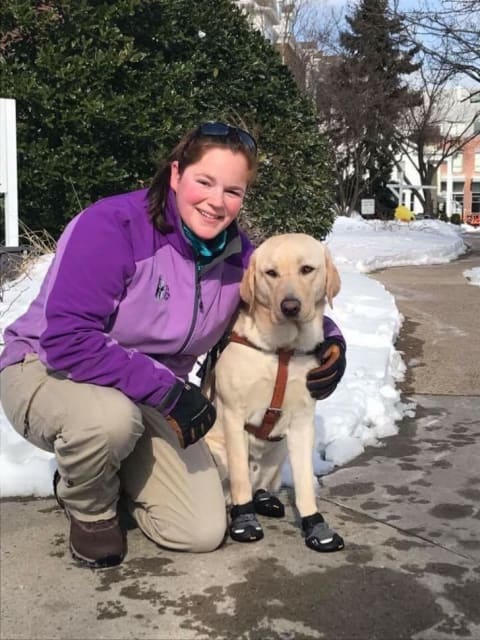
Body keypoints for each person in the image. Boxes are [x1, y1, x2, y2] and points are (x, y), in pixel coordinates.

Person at [0, 122, 346, 569]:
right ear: (177, 174)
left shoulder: (240, 257)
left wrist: (331, 342)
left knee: (200, 531)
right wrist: (165, 389)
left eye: (233, 191)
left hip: (153, 394)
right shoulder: (113, 226)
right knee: (109, 421)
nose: (217, 201)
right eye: (205, 182)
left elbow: (280, 304)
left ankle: (117, 470)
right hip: (48, 370)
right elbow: (68, 338)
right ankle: (89, 507)